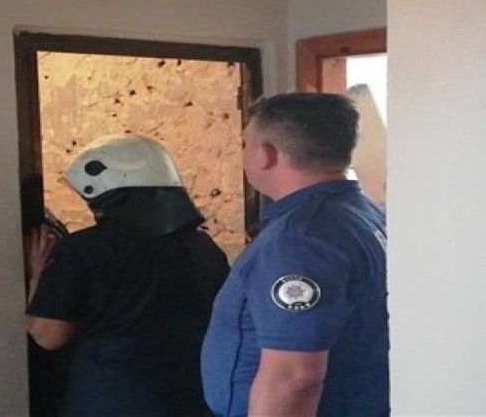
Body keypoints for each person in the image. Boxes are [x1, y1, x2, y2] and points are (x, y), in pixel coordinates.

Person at [201, 93, 389, 416]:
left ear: (266, 154)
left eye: (245, 144)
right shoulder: (362, 213)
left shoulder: (299, 239)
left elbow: (294, 378)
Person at [26, 134, 230, 416]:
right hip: (193, 397)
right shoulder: (203, 247)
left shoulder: (81, 250)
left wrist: (38, 274)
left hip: (111, 399)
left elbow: (48, 335)